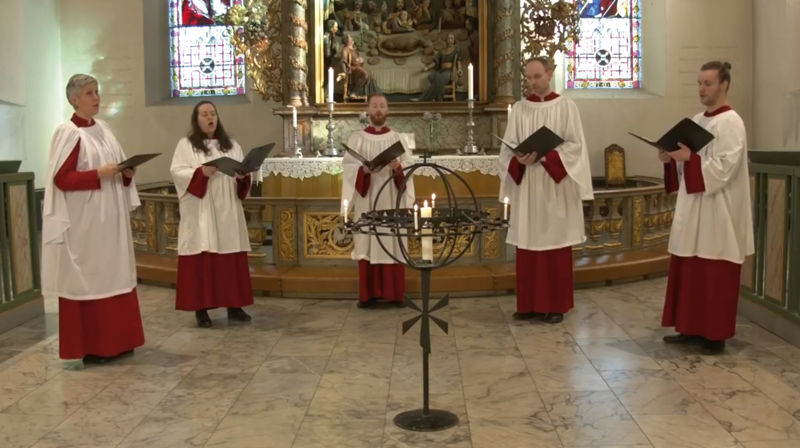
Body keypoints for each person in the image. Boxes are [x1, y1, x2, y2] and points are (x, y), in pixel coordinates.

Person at [42, 74, 145, 368]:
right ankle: (94, 345)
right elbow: (62, 179)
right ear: (75, 99)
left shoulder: (105, 130)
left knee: (115, 273)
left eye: (97, 91)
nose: (96, 97)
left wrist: (126, 173)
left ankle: (120, 341)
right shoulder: (68, 133)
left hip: (110, 217)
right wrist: (99, 174)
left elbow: (117, 167)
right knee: (91, 278)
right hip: (85, 221)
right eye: (90, 93)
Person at [659, 61, 753, 354]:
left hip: (719, 210)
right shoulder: (698, 120)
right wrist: (672, 159)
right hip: (695, 205)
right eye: (699, 83)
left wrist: (689, 158)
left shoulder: (732, 122)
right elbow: (688, 161)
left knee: (713, 269)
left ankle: (714, 335)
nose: (701, 89)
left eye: (707, 83)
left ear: (724, 84)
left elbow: (725, 168)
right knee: (690, 266)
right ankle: (689, 327)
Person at [499, 57, 593, 324]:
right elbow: (507, 148)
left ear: (550, 74)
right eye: (528, 78)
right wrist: (518, 159)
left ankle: (555, 305)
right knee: (528, 242)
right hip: (528, 186)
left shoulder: (565, 106)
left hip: (554, 186)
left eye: (537, 77)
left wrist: (545, 157)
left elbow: (576, 147)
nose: (532, 83)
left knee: (554, 242)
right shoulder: (519, 108)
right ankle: (528, 303)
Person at [170, 101, 254, 328]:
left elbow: (245, 171)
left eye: (213, 113)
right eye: (205, 114)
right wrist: (201, 172)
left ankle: (234, 306)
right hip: (202, 209)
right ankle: (201, 309)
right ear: (196, 120)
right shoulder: (186, 145)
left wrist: (243, 177)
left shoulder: (232, 145)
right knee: (203, 255)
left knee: (230, 257)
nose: (210, 118)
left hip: (227, 208)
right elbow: (177, 172)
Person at [342, 93, 415, 308]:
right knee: (369, 238)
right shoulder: (357, 138)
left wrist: (397, 168)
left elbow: (409, 168)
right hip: (368, 198)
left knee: (391, 239)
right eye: (374, 106)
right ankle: (368, 295)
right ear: (368, 109)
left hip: (391, 198)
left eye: (382, 106)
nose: (378, 110)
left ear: (388, 110)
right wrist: (362, 170)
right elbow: (348, 167)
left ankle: (395, 294)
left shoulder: (397, 138)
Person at [416, 33, 460, 101]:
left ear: (454, 40)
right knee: (431, 76)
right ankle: (437, 95)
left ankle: (424, 98)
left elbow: (458, 61)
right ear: (446, 40)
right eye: (448, 38)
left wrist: (459, 70)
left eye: (452, 38)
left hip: (449, 72)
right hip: (441, 71)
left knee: (438, 79)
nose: (450, 40)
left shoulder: (456, 50)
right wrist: (427, 68)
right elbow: (435, 63)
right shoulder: (442, 51)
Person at [341, 34, 379, 100]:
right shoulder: (345, 49)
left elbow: (357, 58)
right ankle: (353, 92)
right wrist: (346, 69)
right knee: (365, 74)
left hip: (358, 68)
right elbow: (343, 60)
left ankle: (372, 95)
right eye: (350, 38)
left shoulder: (354, 50)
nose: (352, 38)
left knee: (369, 75)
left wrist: (360, 59)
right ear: (347, 40)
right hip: (352, 69)